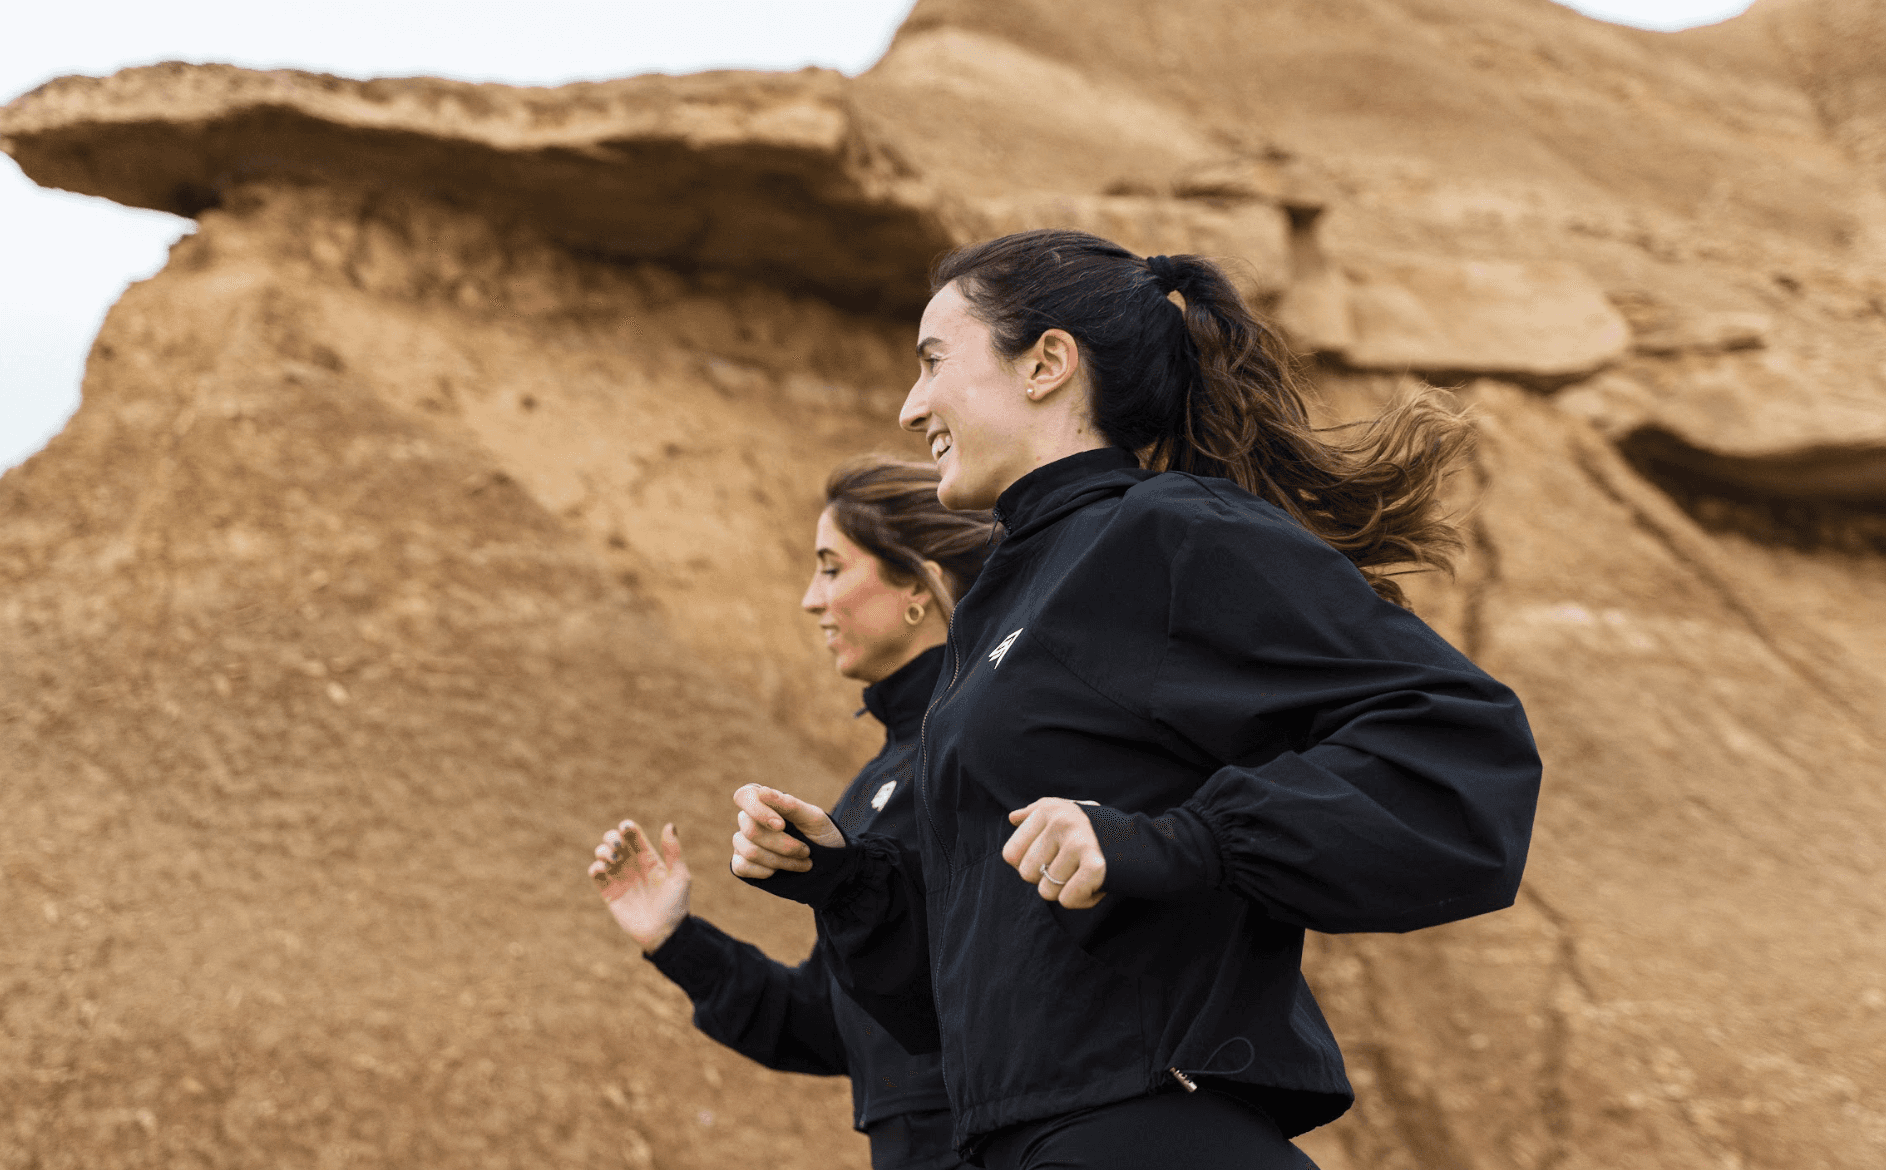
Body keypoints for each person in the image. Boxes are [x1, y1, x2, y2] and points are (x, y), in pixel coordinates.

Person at [726, 230, 1543, 1170]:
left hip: (1144, 1128)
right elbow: (964, 1005)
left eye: (934, 362)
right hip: (1019, 1140)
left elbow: (1465, 753)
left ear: (1047, 364)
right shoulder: (1004, 597)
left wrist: (1172, 842)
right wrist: (845, 881)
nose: (912, 407)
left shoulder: (1166, 528)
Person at [587, 457, 994, 1170]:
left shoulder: (985, 754)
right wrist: (675, 939)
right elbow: (828, 1021)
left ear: (917, 585)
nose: (811, 599)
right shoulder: (874, 784)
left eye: (832, 568)